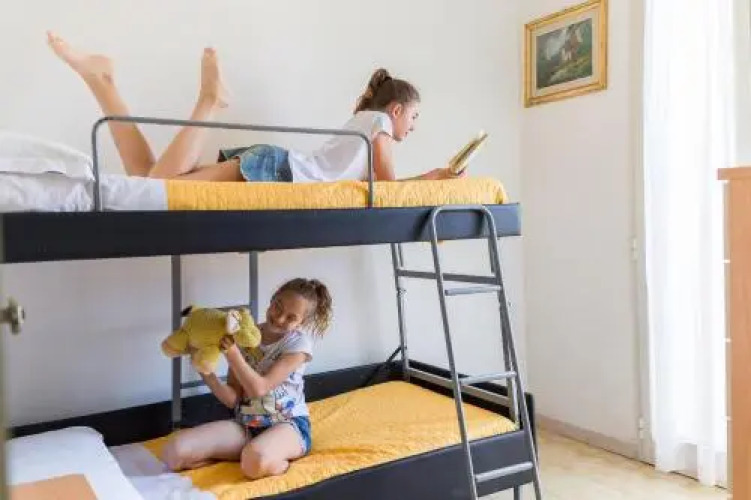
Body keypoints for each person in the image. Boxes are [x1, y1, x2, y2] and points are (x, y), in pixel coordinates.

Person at [46, 32, 462, 183]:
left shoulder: (361, 122)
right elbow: (389, 192)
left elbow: (378, 184)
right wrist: (434, 180)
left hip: (272, 164)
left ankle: (103, 84)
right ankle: (208, 102)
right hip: (279, 171)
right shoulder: (379, 125)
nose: (414, 126)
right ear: (395, 110)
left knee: (146, 180)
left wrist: (430, 176)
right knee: (156, 187)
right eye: (414, 116)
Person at [160, 278, 333, 478]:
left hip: (287, 424)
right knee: (174, 452)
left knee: (253, 463)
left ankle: (277, 461)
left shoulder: (299, 345)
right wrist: (204, 368)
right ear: (272, 299)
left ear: (301, 322)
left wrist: (233, 353)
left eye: (291, 317)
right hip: (246, 424)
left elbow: (260, 389)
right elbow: (233, 399)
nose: (279, 318)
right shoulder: (246, 335)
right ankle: (247, 451)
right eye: (278, 307)